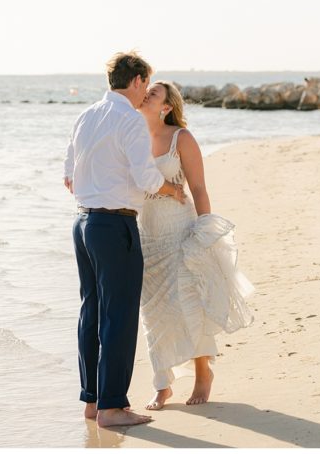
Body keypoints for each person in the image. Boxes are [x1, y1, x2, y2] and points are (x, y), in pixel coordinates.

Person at [64, 52, 185, 428]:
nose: (146, 92)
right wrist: (172, 189)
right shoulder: (129, 119)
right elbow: (148, 179)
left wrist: (99, 185)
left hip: (83, 223)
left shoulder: (86, 116)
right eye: (146, 84)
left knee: (92, 312)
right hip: (114, 227)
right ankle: (113, 407)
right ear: (135, 81)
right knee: (119, 317)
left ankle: (92, 401)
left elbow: (69, 176)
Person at [137, 80, 255, 411]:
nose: (146, 95)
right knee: (154, 312)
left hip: (180, 230)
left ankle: (203, 372)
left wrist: (205, 233)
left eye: (154, 93)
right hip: (146, 234)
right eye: (145, 91)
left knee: (187, 302)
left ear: (166, 107)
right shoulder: (132, 138)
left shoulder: (181, 138)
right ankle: (162, 385)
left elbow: (199, 187)